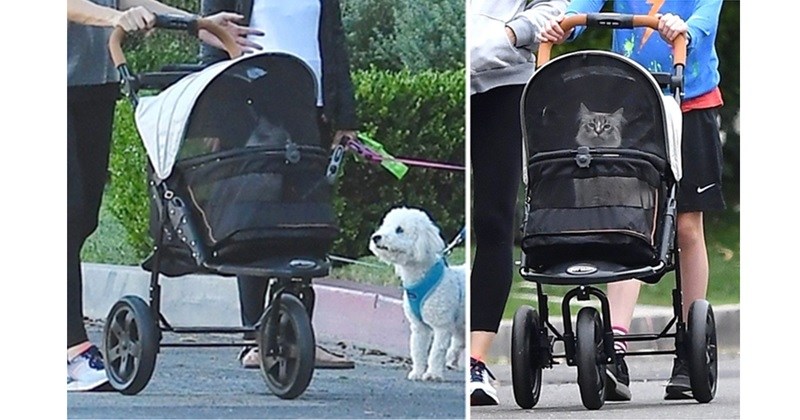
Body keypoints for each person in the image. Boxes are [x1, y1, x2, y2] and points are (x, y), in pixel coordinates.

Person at [67, 0, 259, 392]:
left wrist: (196, 23)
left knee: (83, 218)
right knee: (61, 216)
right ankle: (71, 350)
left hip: (92, 87)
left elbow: (124, 1)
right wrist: (115, 20)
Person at [538, 0, 725, 401]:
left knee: (686, 225)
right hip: (634, 100)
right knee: (627, 214)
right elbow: (584, 6)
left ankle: (689, 348)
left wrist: (686, 30)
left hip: (689, 100)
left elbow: (706, 17)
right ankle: (615, 345)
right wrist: (563, 26)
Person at [199, 0, 359, 370]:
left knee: (304, 220)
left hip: (311, 104)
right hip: (252, 102)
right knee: (254, 217)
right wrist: (214, 116)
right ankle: (254, 336)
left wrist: (344, 113)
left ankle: (298, 332)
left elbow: (333, 40)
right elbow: (210, 37)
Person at [468, 0, 568, 406]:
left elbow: (555, 7)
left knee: (494, 220)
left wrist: (512, 34)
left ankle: (475, 360)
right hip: (451, 69)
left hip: (503, 78)